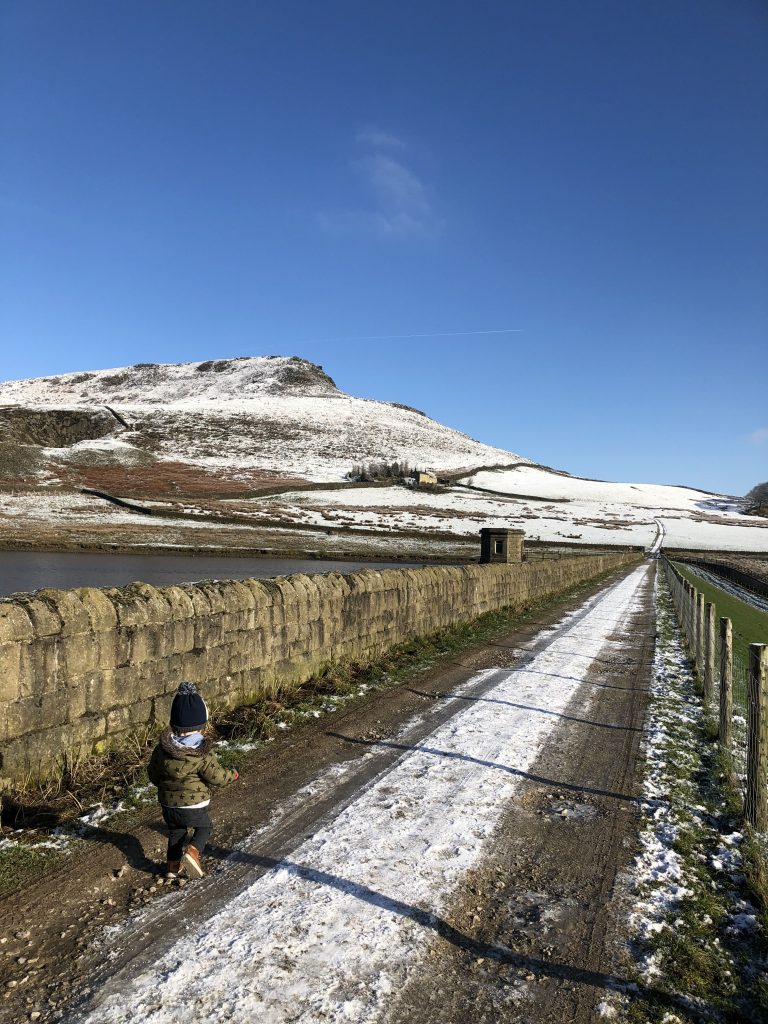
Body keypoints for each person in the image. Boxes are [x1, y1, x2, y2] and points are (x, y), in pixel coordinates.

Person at [147, 681, 238, 879]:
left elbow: (153, 774)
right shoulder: (201, 752)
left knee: (176, 833)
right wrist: (233, 774)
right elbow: (217, 777)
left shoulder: (161, 749)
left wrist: (164, 786)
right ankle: (193, 852)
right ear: (201, 724)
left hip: (168, 805)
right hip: (194, 805)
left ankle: (172, 867)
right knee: (204, 827)